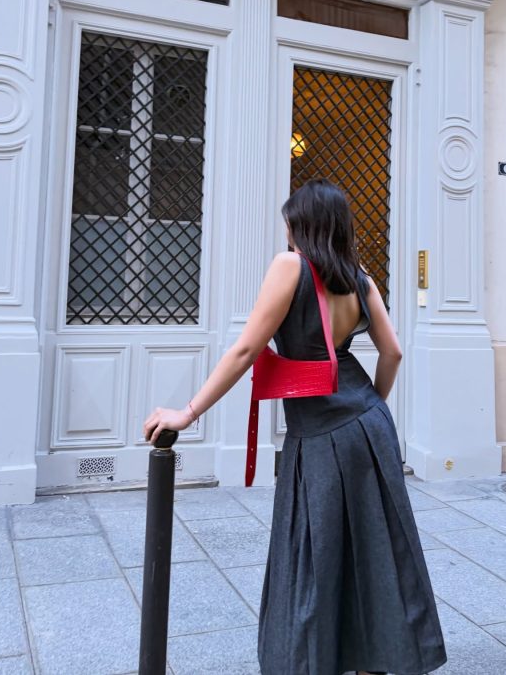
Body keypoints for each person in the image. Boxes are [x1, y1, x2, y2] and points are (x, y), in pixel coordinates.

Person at [143, 178, 447, 675]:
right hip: (368, 422)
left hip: (321, 433)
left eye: (288, 220)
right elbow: (392, 352)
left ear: (301, 224)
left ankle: (312, 659)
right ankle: (376, 658)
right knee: (373, 549)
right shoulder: (361, 279)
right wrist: (369, 407)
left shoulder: (290, 266)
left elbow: (245, 349)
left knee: (316, 551)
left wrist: (188, 412)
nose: (284, 230)